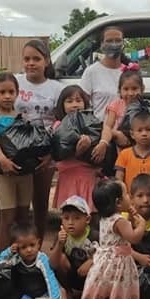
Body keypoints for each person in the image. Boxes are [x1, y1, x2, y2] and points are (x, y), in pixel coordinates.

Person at [74, 179, 145, 299]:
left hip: (105, 265)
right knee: (121, 296)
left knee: (108, 294)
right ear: (118, 202)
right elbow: (134, 238)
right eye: (126, 194)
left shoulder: (105, 218)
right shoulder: (120, 221)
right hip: (119, 266)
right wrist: (142, 225)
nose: (129, 197)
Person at [15, 39, 63, 240]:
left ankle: (38, 244)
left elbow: (62, 123)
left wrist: (51, 154)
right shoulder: (15, 82)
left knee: (41, 202)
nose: (31, 63)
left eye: (36, 59)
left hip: (44, 153)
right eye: (27, 59)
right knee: (20, 204)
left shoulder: (57, 89)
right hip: (18, 152)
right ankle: (20, 245)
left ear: (47, 61)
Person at [0, 72, 32, 251]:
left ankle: (23, 257)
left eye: (11, 92)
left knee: (23, 216)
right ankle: (2, 260)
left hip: (23, 172)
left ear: (17, 93)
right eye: (2, 92)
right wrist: (2, 159)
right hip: (3, 172)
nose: (7, 96)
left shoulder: (22, 115)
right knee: (7, 217)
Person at [52, 85, 101, 213]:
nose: (75, 104)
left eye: (79, 100)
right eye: (69, 101)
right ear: (62, 105)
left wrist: (90, 142)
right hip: (68, 177)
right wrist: (77, 151)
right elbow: (58, 153)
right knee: (71, 215)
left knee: (91, 213)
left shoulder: (92, 123)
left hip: (88, 176)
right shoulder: (58, 126)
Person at [50, 196, 97, 299]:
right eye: (66, 218)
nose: (70, 222)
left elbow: (107, 255)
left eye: (76, 218)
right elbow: (52, 264)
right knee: (60, 258)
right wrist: (59, 244)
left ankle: (93, 295)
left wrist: (92, 261)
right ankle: (67, 292)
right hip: (72, 276)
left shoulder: (94, 236)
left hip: (90, 278)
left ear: (87, 219)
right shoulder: (61, 236)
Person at [81, 26, 128, 118]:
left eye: (118, 40)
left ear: (123, 43)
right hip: (100, 125)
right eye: (109, 41)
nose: (114, 44)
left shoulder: (129, 72)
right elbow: (83, 105)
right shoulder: (91, 72)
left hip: (125, 126)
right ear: (102, 44)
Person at [115, 110, 150, 190]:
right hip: (129, 197)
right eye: (139, 130)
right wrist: (123, 196)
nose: (144, 134)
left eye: (148, 130)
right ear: (132, 134)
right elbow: (119, 180)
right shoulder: (124, 154)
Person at [98, 69, 148, 150]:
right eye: (126, 89)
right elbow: (107, 127)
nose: (130, 93)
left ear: (142, 89)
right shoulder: (115, 106)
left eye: (134, 88)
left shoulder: (145, 106)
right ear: (119, 90)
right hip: (122, 150)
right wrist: (115, 135)